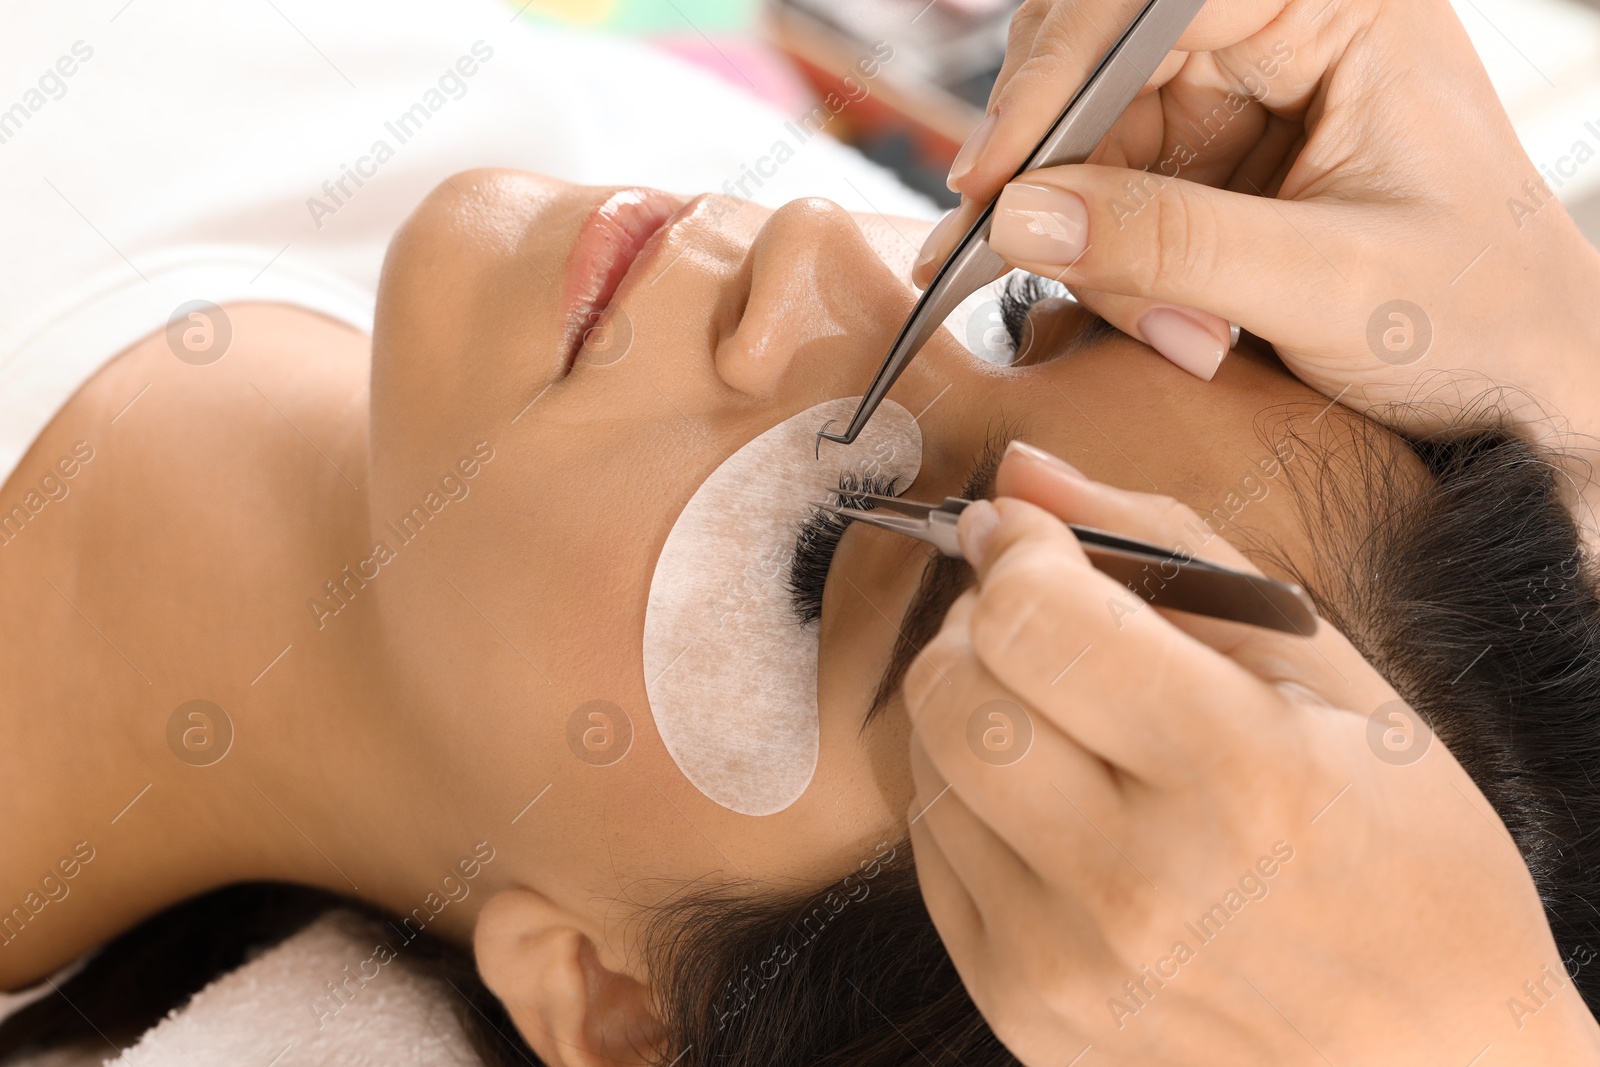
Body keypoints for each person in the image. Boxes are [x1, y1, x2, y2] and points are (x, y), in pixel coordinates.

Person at [0, 5, 1598, 1067]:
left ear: (622, 1015)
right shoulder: (597, 121)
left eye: (824, 545)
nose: (823, 252)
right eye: (1029, 312)